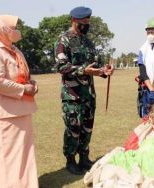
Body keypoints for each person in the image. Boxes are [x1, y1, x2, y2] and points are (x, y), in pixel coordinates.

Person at [0, 15, 39, 188]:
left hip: (22, 110)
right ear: (2, 30)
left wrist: (32, 84)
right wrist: (22, 89)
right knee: (7, 158)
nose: (16, 31)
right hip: (3, 113)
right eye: (12, 27)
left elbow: (23, 75)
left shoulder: (15, 51)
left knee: (23, 155)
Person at [54, 6, 114, 175]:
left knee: (87, 128)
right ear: (74, 21)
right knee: (73, 129)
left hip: (89, 94)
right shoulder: (63, 40)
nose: (86, 25)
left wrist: (105, 70)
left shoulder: (88, 42)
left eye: (88, 22)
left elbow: (96, 65)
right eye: (83, 22)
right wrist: (84, 71)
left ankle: (84, 157)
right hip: (72, 95)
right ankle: (71, 160)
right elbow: (61, 66)